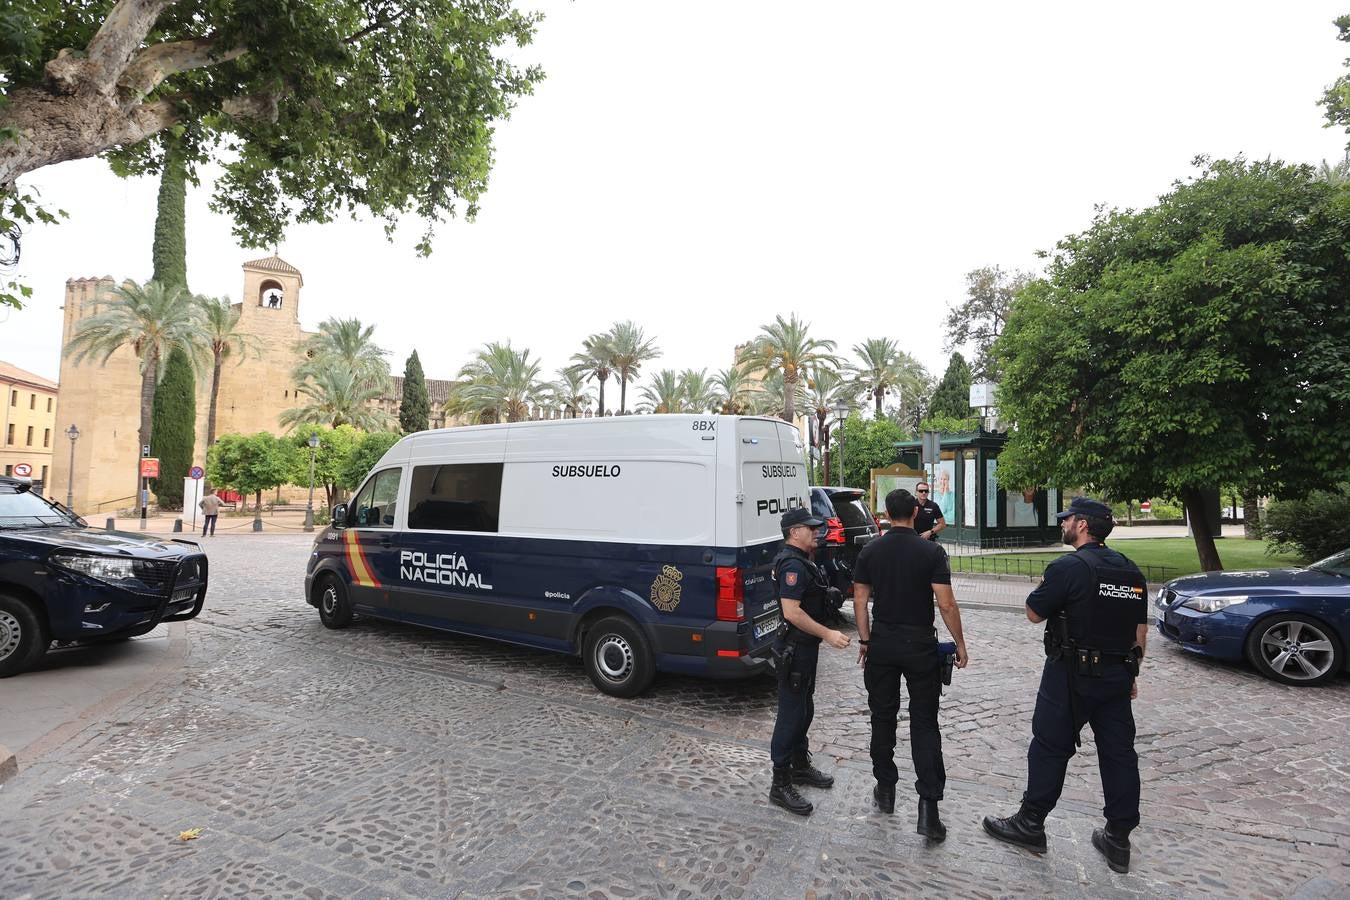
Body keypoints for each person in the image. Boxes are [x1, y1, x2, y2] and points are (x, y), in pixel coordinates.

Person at [982, 497, 1149, 874]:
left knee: (1049, 747)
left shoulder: (1067, 568)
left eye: (1067, 519)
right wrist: (1132, 672)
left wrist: (1047, 584)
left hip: (1071, 675)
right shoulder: (1131, 571)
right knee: (1119, 754)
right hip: (1116, 676)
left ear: (1083, 525)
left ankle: (1030, 823)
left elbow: (1032, 612)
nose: (1063, 524)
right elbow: (1139, 631)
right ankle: (1118, 837)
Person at [852, 488, 968, 840]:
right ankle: (928, 809)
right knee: (924, 723)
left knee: (882, 717)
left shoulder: (870, 550)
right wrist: (960, 643)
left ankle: (885, 788)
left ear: (886, 513)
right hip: (920, 643)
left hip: (883, 643)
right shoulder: (930, 551)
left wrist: (865, 640)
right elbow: (946, 604)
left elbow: (860, 598)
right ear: (916, 513)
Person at [768, 507, 852, 817]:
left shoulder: (802, 560)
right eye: (810, 528)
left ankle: (800, 765)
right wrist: (828, 634)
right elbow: (791, 612)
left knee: (805, 707)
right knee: (791, 713)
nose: (816, 531)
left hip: (804, 648)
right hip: (794, 648)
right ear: (794, 532)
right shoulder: (792, 564)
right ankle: (780, 783)